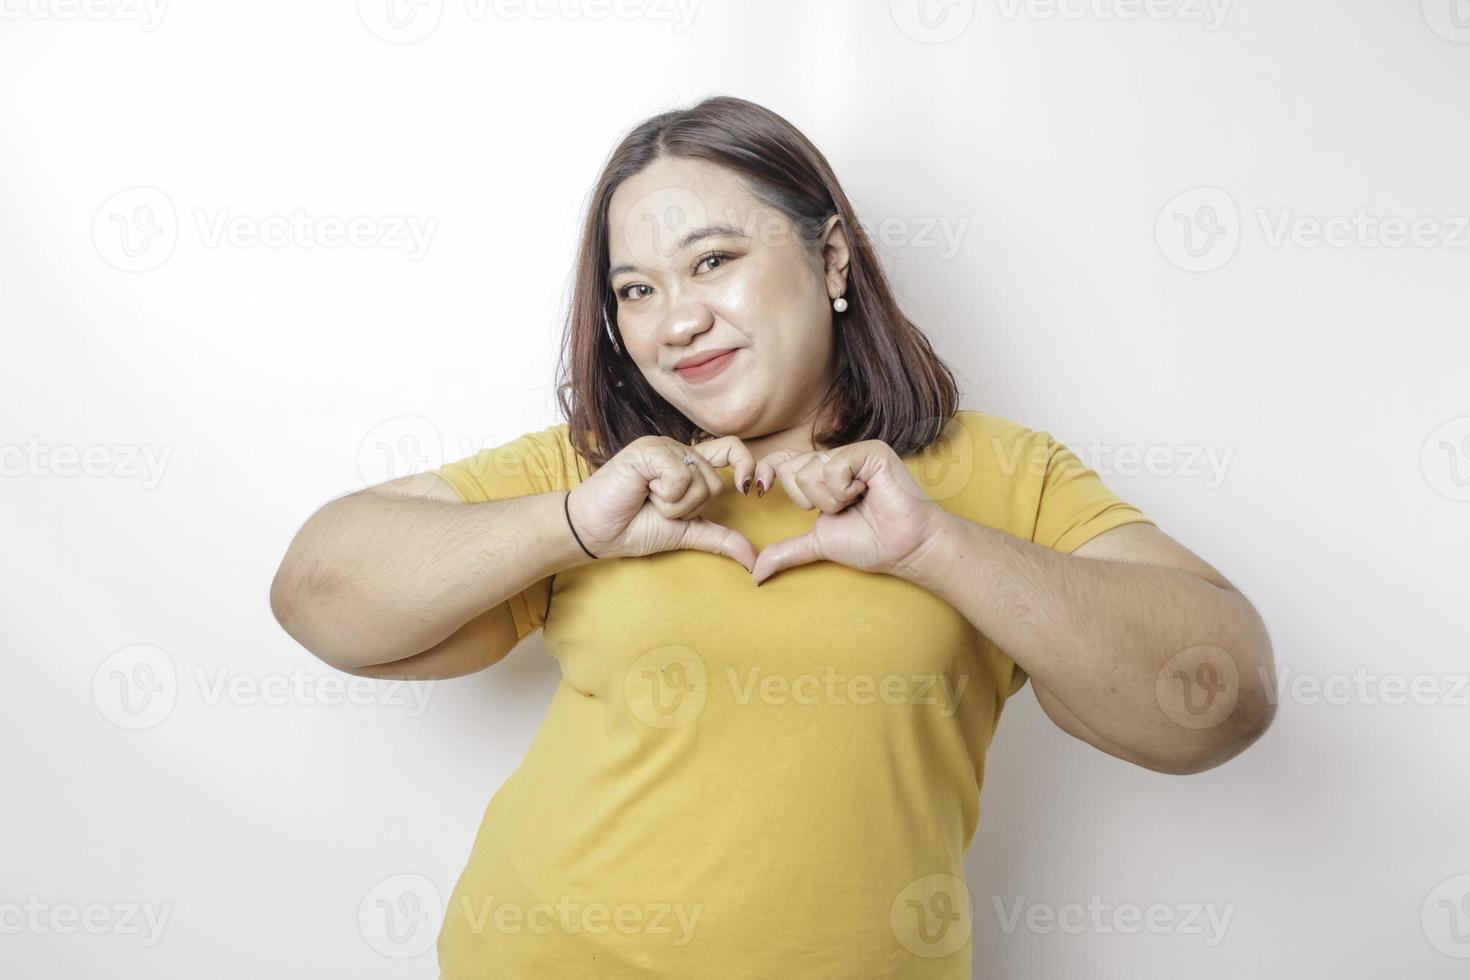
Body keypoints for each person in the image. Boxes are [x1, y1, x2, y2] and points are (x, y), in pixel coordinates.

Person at [269, 94, 1277, 979]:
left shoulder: (1002, 472)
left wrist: (935, 548)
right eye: (637, 289)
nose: (675, 322)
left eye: (715, 260)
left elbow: (1219, 698)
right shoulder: (603, 466)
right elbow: (317, 595)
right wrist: (575, 525)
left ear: (830, 255)